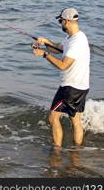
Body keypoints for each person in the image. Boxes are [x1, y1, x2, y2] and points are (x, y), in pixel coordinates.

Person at [31, 8, 90, 148]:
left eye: (60, 21)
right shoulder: (74, 37)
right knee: (75, 120)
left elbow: (63, 65)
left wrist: (44, 55)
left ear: (67, 21)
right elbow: (60, 48)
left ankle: (57, 151)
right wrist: (46, 42)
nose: (60, 23)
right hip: (81, 86)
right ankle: (77, 151)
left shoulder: (77, 42)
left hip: (71, 87)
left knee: (53, 117)